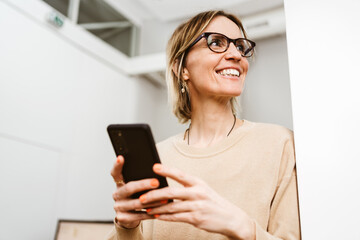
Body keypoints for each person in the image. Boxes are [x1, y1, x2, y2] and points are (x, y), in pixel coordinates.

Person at [107, 10, 300, 240]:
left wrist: (239, 225)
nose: (236, 55)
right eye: (216, 42)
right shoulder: (158, 157)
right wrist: (126, 227)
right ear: (181, 68)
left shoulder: (281, 144)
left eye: (240, 46)